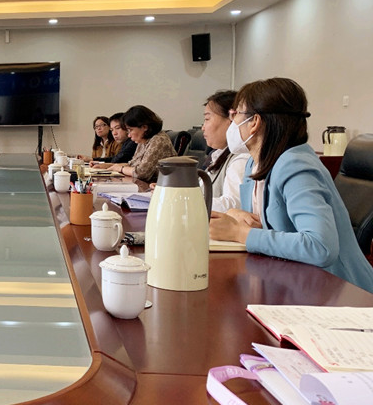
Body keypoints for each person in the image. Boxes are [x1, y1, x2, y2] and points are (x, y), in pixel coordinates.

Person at [209, 77, 373, 293]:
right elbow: (268, 229)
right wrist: (237, 216)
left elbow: (321, 247)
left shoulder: (296, 165)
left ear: (255, 122)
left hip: (340, 292)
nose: (232, 122)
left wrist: (240, 233)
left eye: (235, 114)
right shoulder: (253, 164)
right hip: (291, 281)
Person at [201, 90, 248, 212]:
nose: (203, 127)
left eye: (207, 119)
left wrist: (185, 201)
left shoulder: (242, 158)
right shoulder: (217, 155)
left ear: (232, 120)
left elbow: (233, 205)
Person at [105, 105, 176, 182]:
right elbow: (132, 164)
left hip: (163, 186)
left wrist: (120, 168)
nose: (129, 135)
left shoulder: (159, 140)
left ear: (144, 127)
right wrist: (108, 166)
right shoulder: (143, 140)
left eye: (130, 130)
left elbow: (141, 173)